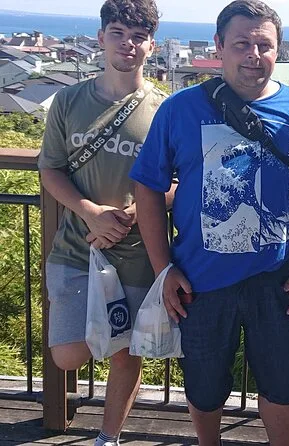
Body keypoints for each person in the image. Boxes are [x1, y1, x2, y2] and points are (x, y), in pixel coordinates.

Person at [129, 1, 289, 444]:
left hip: (279, 277)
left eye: (264, 45)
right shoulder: (181, 109)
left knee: (284, 385)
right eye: (242, 43)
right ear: (219, 46)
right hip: (199, 279)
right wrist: (164, 269)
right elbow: (147, 187)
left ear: (278, 50)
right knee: (204, 386)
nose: (253, 55)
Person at [37, 1, 168, 445]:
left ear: (151, 45)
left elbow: (179, 181)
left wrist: (136, 212)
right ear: (100, 38)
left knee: (126, 353)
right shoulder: (69, 101)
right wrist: (91, 212)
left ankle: (108, 438)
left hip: (137, 250)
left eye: (138, 37)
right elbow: (51, 168)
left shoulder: (164, 109)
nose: (127, 44)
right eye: (118, 33)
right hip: (77, 245)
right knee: (67, 354)